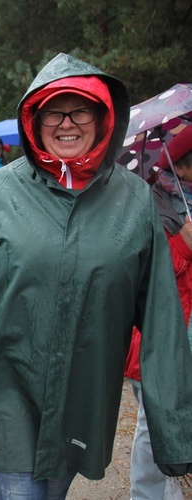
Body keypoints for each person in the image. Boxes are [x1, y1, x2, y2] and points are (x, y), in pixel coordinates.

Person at [0, 53, 192, 499]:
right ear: (34, 119)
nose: (67, 123)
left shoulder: (134, 202)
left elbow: (162, 318)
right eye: (53, 111)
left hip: (85, 390)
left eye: (80, 109)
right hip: (8, 384)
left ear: (103, 116)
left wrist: (175, 428)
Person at [124, 126, 192, 500]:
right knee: (157, 425)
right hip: (160, 337)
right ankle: (148, 495)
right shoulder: (147, 204)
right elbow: (143, 274)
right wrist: (182, 244)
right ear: (180, 168)